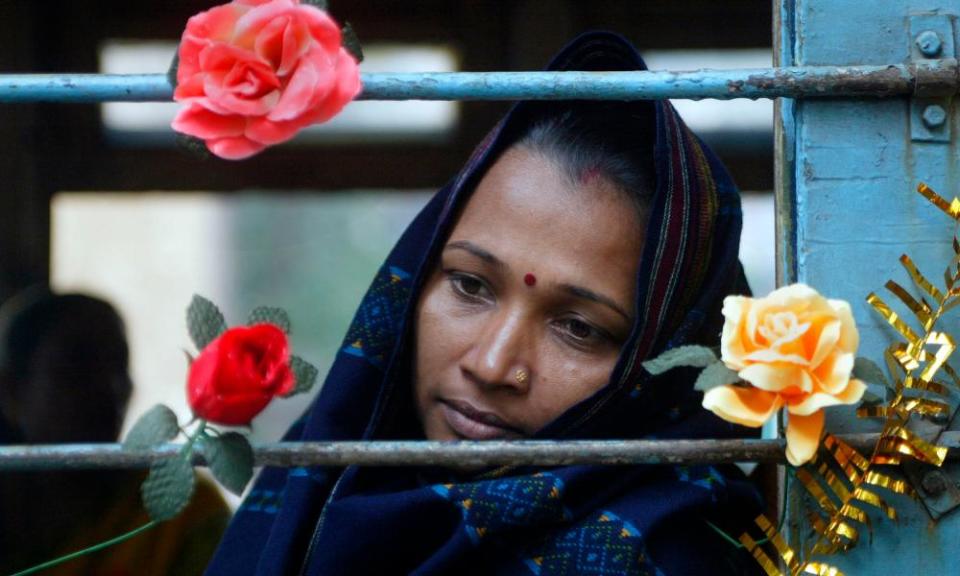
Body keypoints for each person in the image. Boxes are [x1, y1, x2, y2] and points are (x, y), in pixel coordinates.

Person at [206, 32, 763, 575]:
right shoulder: (315, 487)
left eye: (579, 328)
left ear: (662, 364)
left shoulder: (664, 554)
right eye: (470, 285)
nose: (492, 365)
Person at [0, 289, 232, 576]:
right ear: (10, 390)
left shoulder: (181, 509)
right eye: (77, 367)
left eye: (118, 365)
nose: (108, 389)